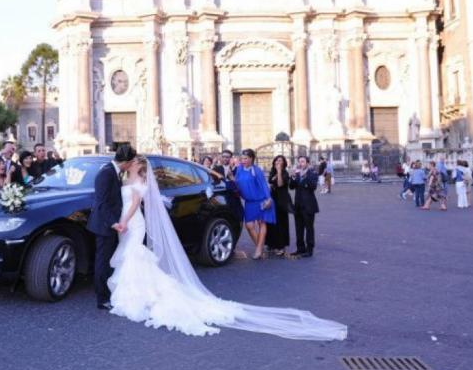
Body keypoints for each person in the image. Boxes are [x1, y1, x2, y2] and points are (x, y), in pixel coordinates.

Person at [105, 155, 347, 340]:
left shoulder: (139, 182)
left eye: (133, 164)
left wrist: (124, 222)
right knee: (135, 256)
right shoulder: (129, 179)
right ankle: (140, 290)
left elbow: (137, 201)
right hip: (131, 222)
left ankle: (139, 293)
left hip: (132, 222)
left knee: (136, 256)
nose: (130, 166)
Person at [87, 144, 136, 310]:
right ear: (126, 162)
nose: (132, 165)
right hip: (104, 225)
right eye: (131, 162)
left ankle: (107, 293)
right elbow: (101, 203)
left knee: (107, 261)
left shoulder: (114, 171)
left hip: (109, 224)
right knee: (102, 262)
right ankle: (101, 299)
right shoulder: (106, 173)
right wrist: (113, 223)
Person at [234, 149, 275, 260]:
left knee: (261, 223)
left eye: (245, 158)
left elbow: (263, 185)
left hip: (261, 200)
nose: (243, 161)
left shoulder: (257, 170)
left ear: (251, 159)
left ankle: (258, 250)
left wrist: (268, 199)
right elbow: (236, 182)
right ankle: (260, 247)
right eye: (242, 158)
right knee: (249, 225)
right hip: (249, 202)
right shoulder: (239, 169)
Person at [289, 156, 319, 258]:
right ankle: (300, 248)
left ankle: (309, 250)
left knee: (309, 228)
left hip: (309, 206)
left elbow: (313, 186)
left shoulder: (312, 173)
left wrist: (304, 176)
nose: (300, 163)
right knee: (299, 228)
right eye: (299, 161)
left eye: (302, 161)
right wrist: (293, 177)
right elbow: (291, 187)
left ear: (308, 163)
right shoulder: (297, 173)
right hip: (298, 205)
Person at [267, 155, 291, 257]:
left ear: (284, 163)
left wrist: (279, 171)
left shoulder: (285, 173)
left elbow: (280, 184)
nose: (277, 162)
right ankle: (272, 244)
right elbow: (270, 182)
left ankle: (281, 246)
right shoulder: (272, 172)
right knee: (272, 222)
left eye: (280, 161)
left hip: (281, 200)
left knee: (281, 222)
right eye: (276, 160)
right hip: (273, 199)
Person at [212, 149, 244, 224]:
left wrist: (232, 176)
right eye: (224, 157)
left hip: (234, 198)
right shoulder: (216, 169)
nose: (225, 159)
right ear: (221, 157)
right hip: (221, 198)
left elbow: (240, 184)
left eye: (228, 157)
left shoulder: (237, 169)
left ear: (231, 158)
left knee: (237, 220)